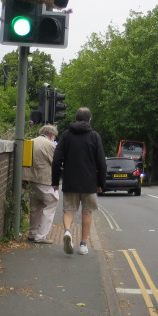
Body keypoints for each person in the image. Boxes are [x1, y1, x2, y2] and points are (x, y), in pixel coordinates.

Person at [51, 107, 106, 255]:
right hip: (89, 182)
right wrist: (101, 184)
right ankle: (83, 244)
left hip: (70, 181)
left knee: (68, 211)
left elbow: (56, 160)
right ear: (89, 120)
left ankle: (68, 231)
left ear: (76, 119)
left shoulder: (66, 135)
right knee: (87, 213)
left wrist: (55, 181)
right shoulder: (95, 136)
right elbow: (101, 163)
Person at [24, 124, 59, 243]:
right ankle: (41, 236)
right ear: (51, 135)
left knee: (35, 207)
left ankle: (32, 233)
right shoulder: (50, 145)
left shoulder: (30, 142)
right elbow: (55, 163)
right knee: (51, 203)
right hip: (44, 179)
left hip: (30, 178)